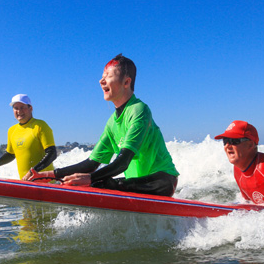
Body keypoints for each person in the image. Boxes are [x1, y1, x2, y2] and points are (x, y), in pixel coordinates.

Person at [30, 54, 179, 197]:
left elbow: (122, 162)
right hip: (138, 183)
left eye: (108, 76)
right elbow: (91, 163)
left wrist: (90, 178)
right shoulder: (112, 122)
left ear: (126, 82)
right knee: (88, 182)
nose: (101, 81)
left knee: (99, 183)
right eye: (102, 77)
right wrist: (50, 175)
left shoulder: (139, 110)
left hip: (162, 181)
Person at [0, 94, 57, 180]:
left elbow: (52, 153)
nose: (19, 111)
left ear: (30, 108)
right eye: (16, 108)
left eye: (22, 107)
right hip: (26, 184)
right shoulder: (12, 130)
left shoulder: (40, 125)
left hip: (47, 184)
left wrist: (32, 172)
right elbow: (11, 154)